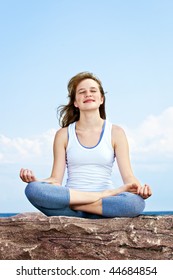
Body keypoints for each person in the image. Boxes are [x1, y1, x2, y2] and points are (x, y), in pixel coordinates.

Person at [20, 72, 152, 219]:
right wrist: (36, 180)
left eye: (93, 91)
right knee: (32, 189)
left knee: (135, 203)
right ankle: (94, 200)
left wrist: (141, 190)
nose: (88, 94)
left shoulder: (115, 132)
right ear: (75, 102)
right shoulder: (63, 134)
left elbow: (129, 177)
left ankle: (83, 206)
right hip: (84, 201)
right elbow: (55, 180)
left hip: (104, 204)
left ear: (101, 99)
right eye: (82, 92)